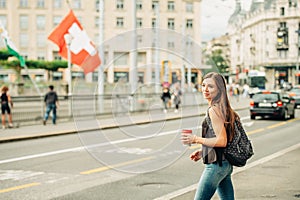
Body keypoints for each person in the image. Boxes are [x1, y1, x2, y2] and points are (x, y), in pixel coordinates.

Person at [181, 72, 240, 200]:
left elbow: (222, 140)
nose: (205, 89)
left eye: (211, 86)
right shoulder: (224, 108)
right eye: (203, 85)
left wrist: (195, 139)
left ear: (219, 89)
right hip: (225, 164)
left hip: (216, 166)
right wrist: (204, 152)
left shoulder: (214, 110)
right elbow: (225, 138)